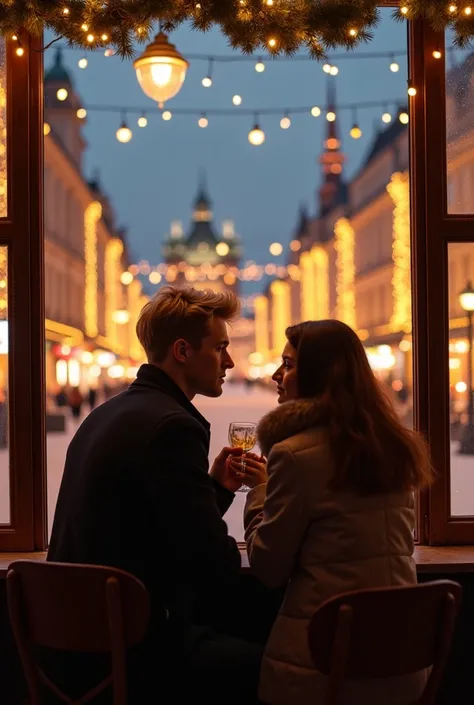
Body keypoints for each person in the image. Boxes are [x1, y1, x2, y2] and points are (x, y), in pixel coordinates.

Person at [47, 286, 263, 705]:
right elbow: (211, 564)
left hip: (68, 642)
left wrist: (214, 491)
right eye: (220, 348)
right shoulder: (171, 427)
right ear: (182, 351)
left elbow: (152, 527)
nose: (230, 361)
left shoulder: (107, 413)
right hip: (132, 652)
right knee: (277, 660)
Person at [241, 320, 433, 705]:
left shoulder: (294, 455)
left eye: (289, 365)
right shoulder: (395, 447)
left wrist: (261, 490)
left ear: (319, 375)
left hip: (325, 668)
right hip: (402, 665)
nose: (277, 375)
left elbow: (268, 567)